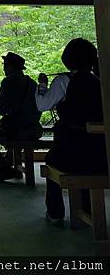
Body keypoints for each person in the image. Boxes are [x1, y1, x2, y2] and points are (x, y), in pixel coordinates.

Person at [36, 38, 107, 226]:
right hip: (101, 151)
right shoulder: (100, 82)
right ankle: (85, 210)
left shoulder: (63, 81)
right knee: (87, 161)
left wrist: (42, 86)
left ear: (67, 59)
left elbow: (42, 105)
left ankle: (55, 213)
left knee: (52, 160)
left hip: (71, 150)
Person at [0, 52, 42, 182]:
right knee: (13, 142)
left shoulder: (8, 82)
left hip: (15, 130)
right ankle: (9, 166)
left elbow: (2, 109)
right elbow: (39, 108)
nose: (4, 68)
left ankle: (3, 169)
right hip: (33, 129)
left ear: (9, 66)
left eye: (5, 65)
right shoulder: (32, 83)